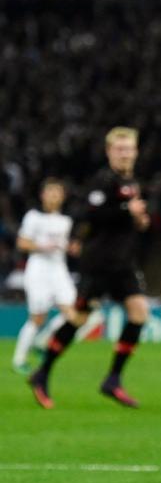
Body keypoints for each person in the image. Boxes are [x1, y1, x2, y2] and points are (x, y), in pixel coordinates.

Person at [29, 127, 151, 409]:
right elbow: (89, 214)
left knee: (139, 312)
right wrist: (125, 212)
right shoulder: (103, 180)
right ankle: (42, 372)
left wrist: (138, 221)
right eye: (119, 149)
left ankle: (113, 379)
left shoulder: (131, 181)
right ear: (109, 152)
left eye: (128, 148)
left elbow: (123, 220)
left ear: (136, 151)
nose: (124, 153)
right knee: (79, 319)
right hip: (99, 263)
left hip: (123, 263)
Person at [12, 179, 77, 374]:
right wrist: (41, 246)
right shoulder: (33, 217)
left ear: (63, 196)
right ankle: (19, 360)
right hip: (38, 270)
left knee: (75, 314)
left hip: (59, 270)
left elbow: (65, 245)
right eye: (50, 192)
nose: (53, 196)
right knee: (38, 317)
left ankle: (41, 341)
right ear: (43, 195)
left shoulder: (66, 221)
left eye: (57, 192)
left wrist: (72, 248)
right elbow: (22, 243)